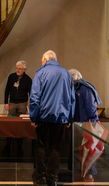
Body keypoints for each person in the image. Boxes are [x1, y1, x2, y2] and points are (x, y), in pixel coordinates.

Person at [29, 50, 75, 186]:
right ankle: (53, 178)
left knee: (41, 146)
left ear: (44, 59)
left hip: (43, 116)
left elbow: (34, 98)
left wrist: (34, 117)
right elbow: (72, 98)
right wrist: (69, 118)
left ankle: (40, 177)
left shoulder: (40, 73)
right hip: (61, 117)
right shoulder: (66, 73)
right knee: (56, 147)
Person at [68, 68, 102, 182]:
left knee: (88, 150)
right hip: (76, 123)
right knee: (79, 150)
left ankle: (89, 175)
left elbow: (91, 109)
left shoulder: (85, 88)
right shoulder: (74, 87)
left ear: (74, 78)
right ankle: (80, 173)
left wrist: (93, 123)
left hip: (85, 124)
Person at [2, 60, 32, 156]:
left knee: (21, 126)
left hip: (22, 103)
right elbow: (7, 90)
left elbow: (31, 94)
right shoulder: (11, 77)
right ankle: (8, 145)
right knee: (10, 125)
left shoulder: (28, 79)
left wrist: (31, 106)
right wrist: (6, 102)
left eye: (20, 69)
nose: (18, 70)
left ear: (24, 70)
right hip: (12, 103)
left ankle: (19, 146)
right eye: (17, 68)